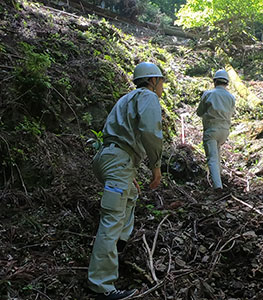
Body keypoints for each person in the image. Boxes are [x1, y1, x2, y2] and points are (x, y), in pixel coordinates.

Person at [87, 62, 164, 300]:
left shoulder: (126, 98)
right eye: (161, 81)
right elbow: (151, 132)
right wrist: (156, 166)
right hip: (119, 160)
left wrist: (129, 175)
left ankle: (118, 245)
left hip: (109, 158)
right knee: (112, 219)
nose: (162, 86)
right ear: (152, 81)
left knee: (130, 197)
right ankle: (101, 286)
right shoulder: (149, 97)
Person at [196, 69, 235, 191]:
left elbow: (199, 112)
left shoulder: (208, 94)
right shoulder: (231, 97)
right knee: (217, 155)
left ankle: (218, 186)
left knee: (212, 158)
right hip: (225, 131)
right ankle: (220, 178)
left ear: (215, 81)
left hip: (211, 130)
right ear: (227, 83)